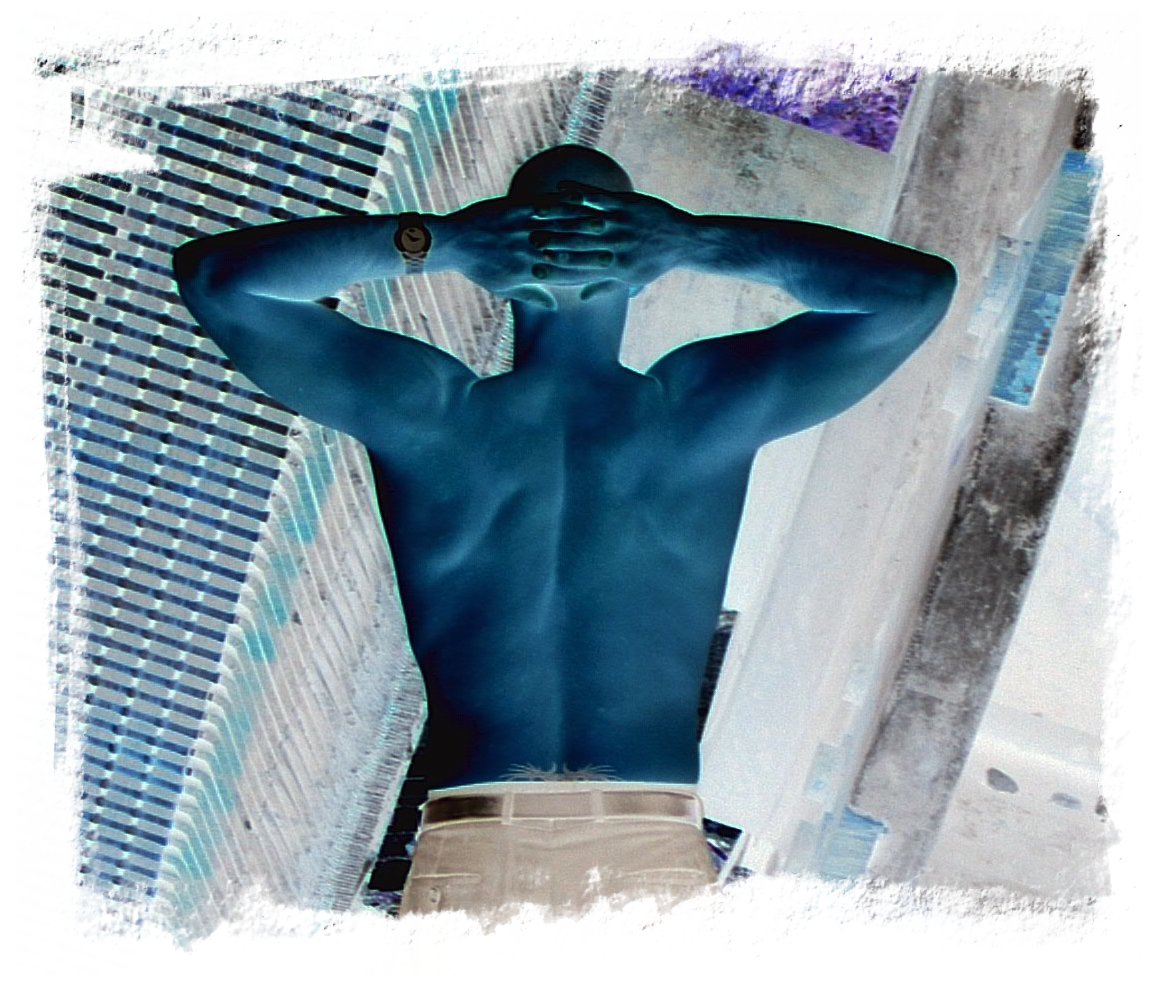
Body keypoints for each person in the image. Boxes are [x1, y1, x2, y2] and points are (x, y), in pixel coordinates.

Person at [173, 144, 956, 918]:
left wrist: (442, 242)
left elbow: (218, 278)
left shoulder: (426, 412)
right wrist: (690, 241)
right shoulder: (700, 410)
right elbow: (911, 292)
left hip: (478, 838)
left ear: (503, 262)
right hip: (640, 844)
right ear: (636, 270)